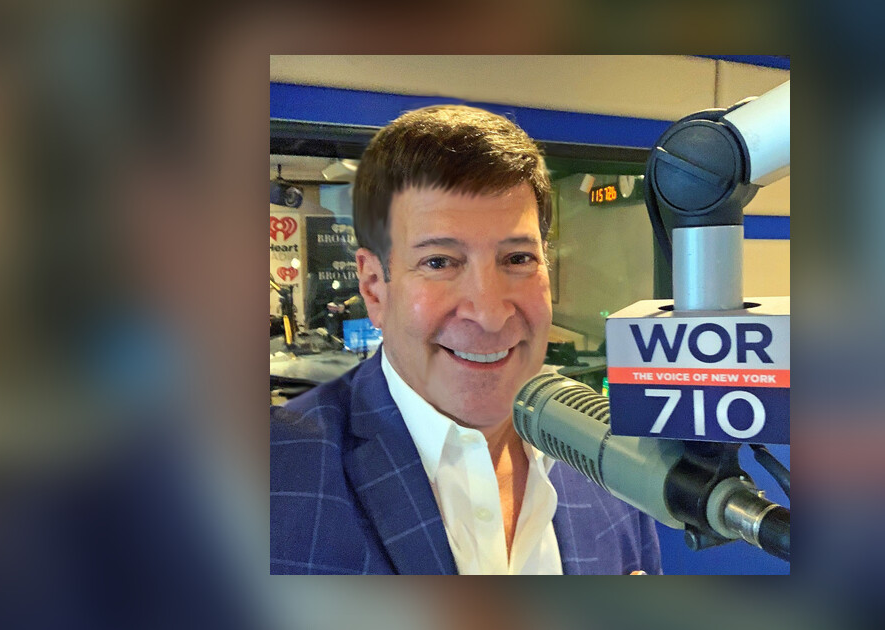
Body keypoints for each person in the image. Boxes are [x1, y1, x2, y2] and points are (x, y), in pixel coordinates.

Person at [270, 105, 661, 575]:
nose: (490, 315)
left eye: (517, 259)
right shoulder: (269, 479)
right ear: (374, 287)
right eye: (439, 262)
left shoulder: (614, 459)